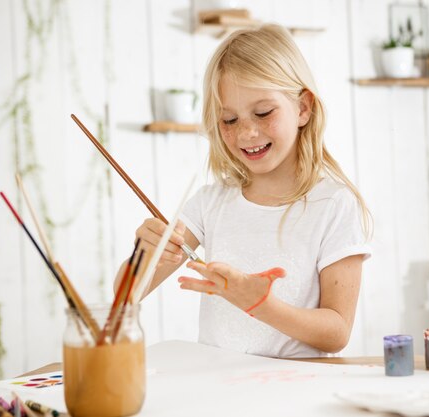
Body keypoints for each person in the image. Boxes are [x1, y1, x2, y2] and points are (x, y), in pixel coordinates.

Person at [116, 24, 371, 358]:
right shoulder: (210, 203)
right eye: (229, 120)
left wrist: (260, 305)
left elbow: (337, 332)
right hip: (220, 389)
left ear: (303, 108)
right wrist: (146, 255)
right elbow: (124, 297)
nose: (248, 132)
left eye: (263, 113)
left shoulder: (333, 204)